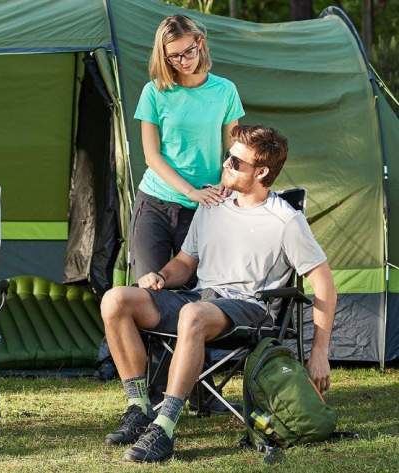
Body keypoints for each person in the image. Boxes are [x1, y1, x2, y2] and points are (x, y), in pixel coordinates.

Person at [101, 125, 337, 463]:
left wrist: (319, 351)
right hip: (199, 297)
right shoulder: (212, 204)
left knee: (192, 315)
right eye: (228, 157)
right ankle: (139, 407)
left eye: (237, 162)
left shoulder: (286, 220)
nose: (226, 164)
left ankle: (164, 426)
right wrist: (161, 277)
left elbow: (324, 283)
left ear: (262, 172)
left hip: (248, 308)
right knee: (116, 300)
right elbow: (184, 263)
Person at [131, 14, 245, 282]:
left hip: (204, 207)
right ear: (164, 56)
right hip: (155, 203)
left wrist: (225, 186)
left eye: (188, 51)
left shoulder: (225, 91)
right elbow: (152, 156)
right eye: (174, 56)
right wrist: (190, 191)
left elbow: (234, 150)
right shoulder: (154, 92)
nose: (183, 61)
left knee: (195, 293)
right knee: (149, 289)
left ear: (200, 43)